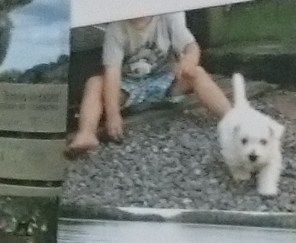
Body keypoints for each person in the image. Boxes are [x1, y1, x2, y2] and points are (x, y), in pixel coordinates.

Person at [66, 12, 228, 157]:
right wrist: (113, 114)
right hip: (129, 87)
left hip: (164, 81)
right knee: (95, 83)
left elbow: (190, 45)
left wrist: (190, 60)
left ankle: (230, 116)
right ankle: (86, 134)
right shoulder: (116, 29)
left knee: (197, 73)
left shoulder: (167, 16)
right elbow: (112, 73)